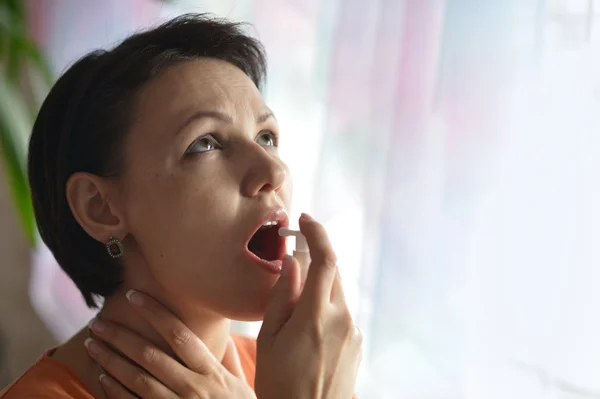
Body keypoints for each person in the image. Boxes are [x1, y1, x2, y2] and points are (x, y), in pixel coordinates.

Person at [0, 13, 361, 399]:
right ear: (100, 208)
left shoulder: (297, 370)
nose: (273, 169)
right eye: (205, 143)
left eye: (266, 136)